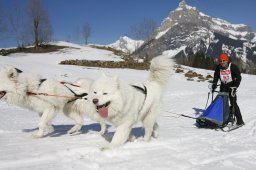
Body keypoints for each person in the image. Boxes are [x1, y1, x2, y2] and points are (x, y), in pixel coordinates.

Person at [212, 53, 244, 126]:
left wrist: (235, 86)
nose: (222, 62)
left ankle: (240, 120)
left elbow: (239, 77)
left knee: (233, 103)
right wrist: (214, 84)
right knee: (221, 102)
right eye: (220, 61)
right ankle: (220, 118)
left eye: (224, 60)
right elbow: (216, 77)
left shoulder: (232, 67)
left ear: (227, 60)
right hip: (223, 86)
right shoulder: (218, 67)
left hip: (231, 87)